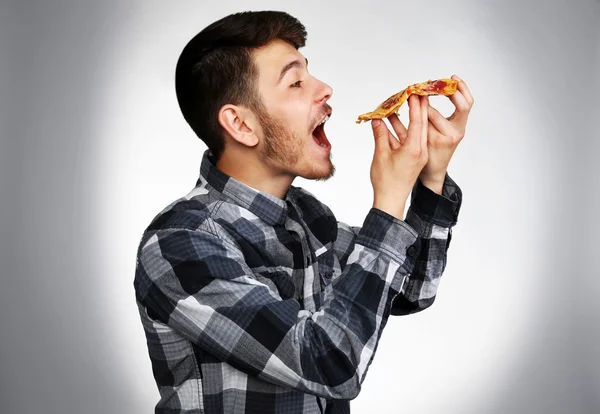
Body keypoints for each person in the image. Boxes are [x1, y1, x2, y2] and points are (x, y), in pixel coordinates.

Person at [134, 10, 472, 414]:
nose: (325, 89)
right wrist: (389, 200)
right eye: (296, 82)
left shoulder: (307, 216)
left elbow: (410, 288)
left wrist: (430, 178)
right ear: (240, 124)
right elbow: (329, 365)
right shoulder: (180, 243)